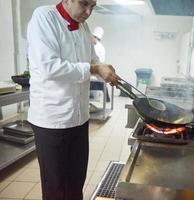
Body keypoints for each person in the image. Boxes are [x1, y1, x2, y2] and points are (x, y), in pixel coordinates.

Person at [26, 0, 120, 199]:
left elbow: (92, 59)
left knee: (76, 181)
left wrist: (104, 68)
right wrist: (94, 69)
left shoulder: (84, 26)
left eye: (93, 6)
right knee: (56, 187)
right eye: (84, 4)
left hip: (79, 118)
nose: (88, 12)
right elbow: (49, 66)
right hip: (52, 119)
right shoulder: (44, 17)